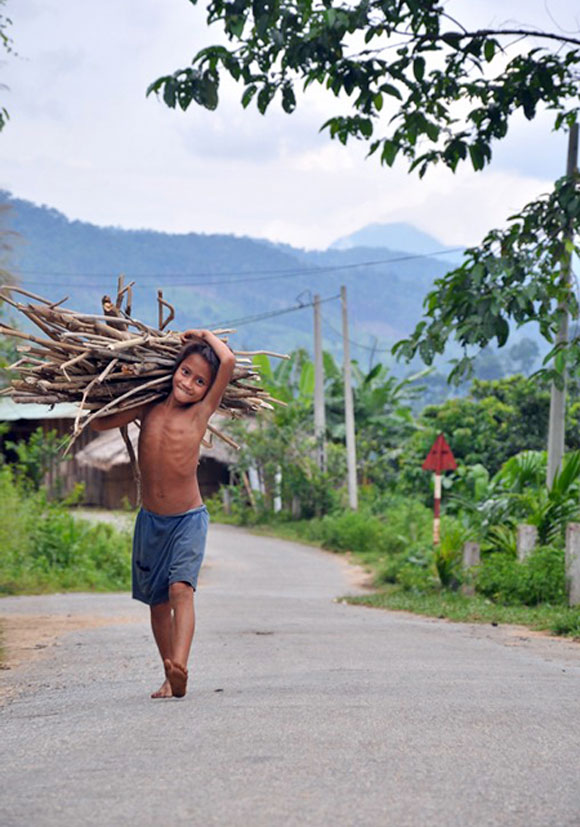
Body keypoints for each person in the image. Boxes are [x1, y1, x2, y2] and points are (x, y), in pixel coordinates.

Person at [91, 329, 236, 698]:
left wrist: (203, 335)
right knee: (157, 603)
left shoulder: (201, 414)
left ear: (208, 391)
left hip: (187, 518)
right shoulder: (148, 407)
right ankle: (169, 675)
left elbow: (229, 362)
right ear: (175, 369)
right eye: (185, 372)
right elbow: (99, 423)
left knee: (180, 590)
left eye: (201, 381)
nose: (189, 383)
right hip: (150, 520)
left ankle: (182, 666)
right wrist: (98, 392)